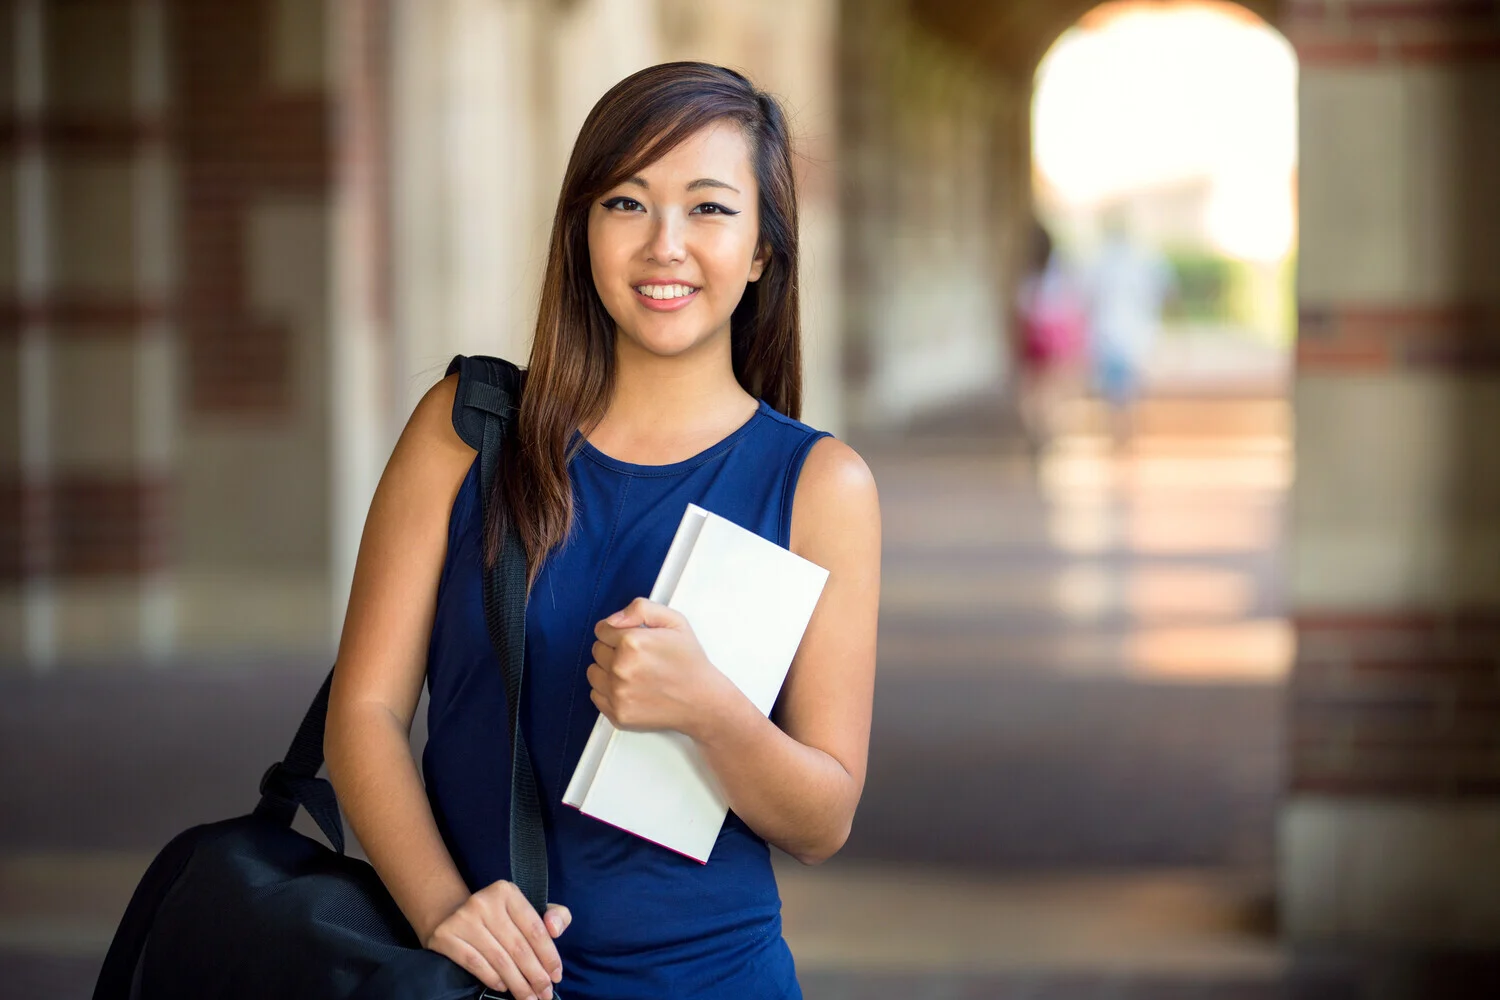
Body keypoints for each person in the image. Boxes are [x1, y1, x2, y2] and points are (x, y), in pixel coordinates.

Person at [323, 63, 881, 1000]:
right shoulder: (465, 429)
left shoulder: (820, 485)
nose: (666, 245)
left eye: (709, 209)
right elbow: (364, 714)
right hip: (478, 975)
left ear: (761, 253)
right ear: (582, 231)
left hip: (715, 980)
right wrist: (442, 908)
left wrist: (708, 706)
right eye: (627, 203)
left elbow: (823, 818)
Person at [1082, 207, 1174, 449]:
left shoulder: (1103, 259)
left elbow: (1087, 297)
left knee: (1117, 390)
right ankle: (1127, 437)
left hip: (1114, 332)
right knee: (1126, 388)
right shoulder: (1140, 257)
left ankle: (1120, 437)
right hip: (1130, 333)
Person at [1014, 218, 1086, 458]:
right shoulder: (1056, 275)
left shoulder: (1030, 276)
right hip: (1052, 338)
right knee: (1050, 391)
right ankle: (1047, 432)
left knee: (1035, 392)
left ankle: (1040, 432)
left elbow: (1021, 309)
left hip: (1036, 337)